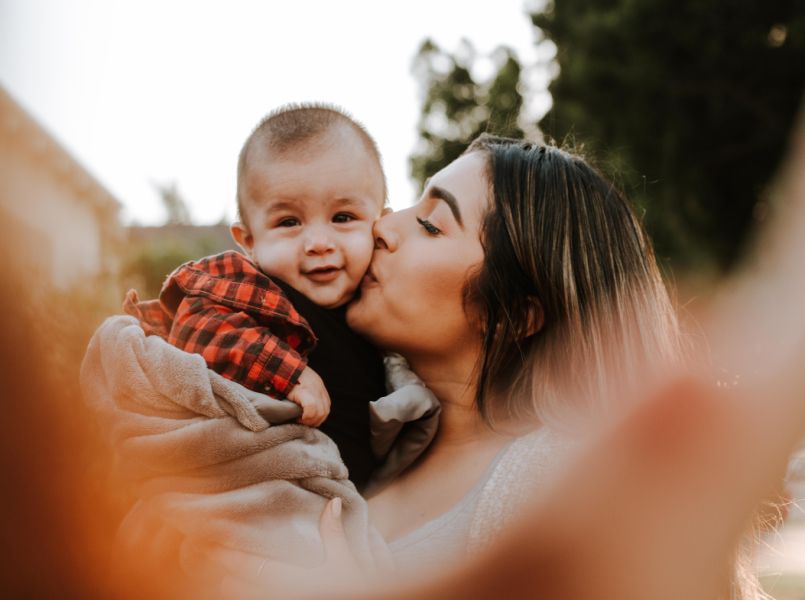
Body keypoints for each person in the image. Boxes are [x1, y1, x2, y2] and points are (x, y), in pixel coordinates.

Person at [123, 103, 389, 489]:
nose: (318, 243)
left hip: (349, 503)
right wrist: (287, 372)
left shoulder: (381, 303)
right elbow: (198, 326)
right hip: (260, 491)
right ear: (249, 242)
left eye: (343, 217)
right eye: (288, 222)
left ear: (380, 223)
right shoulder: (253, 288)